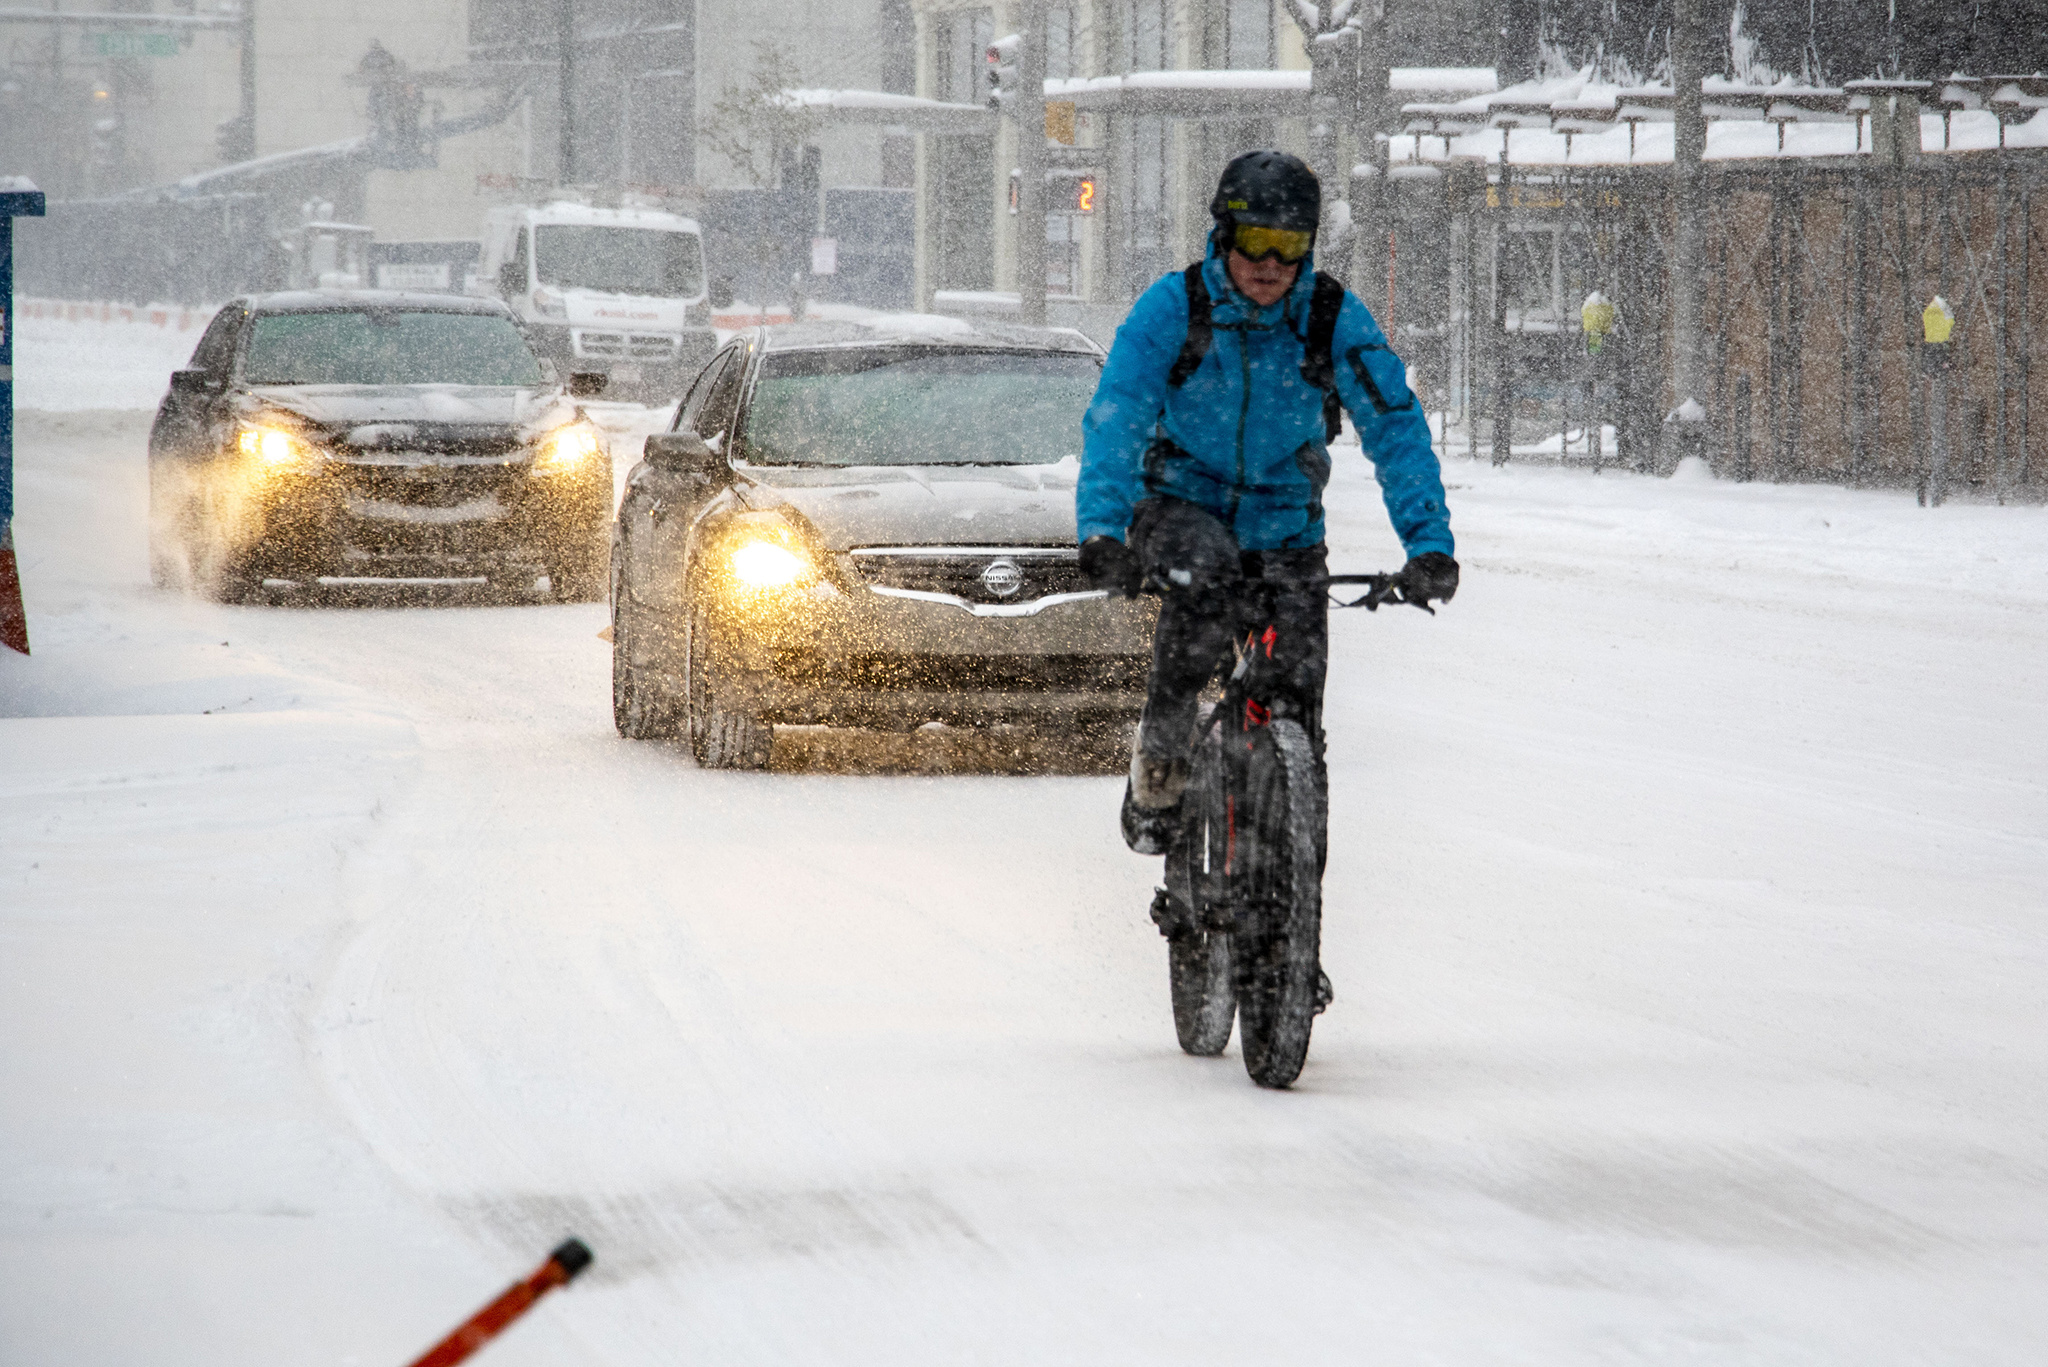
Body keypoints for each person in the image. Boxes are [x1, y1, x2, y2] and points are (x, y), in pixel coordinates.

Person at [1076, 149, 1458, 853]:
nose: (1270, 264)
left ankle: (1292, 920)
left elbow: (1395, 425)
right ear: (1224, 236)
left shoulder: (1330, 318)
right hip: (1180, 506)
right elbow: (1118, 413)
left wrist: (1429, 544)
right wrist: (1103, 529)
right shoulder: (1175, 308)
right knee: (1204, 583)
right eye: (1257, 242)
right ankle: (1160, 760)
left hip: (1286, 529)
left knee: (1298, 702)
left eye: (1289, 247)